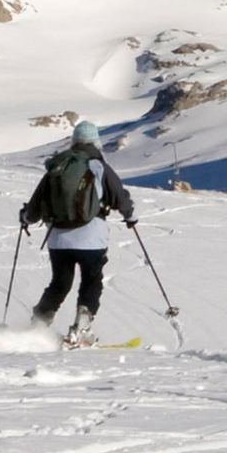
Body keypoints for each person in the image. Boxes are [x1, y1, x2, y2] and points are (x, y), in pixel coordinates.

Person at [20, 120, 136, 342]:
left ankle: (38, 326)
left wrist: (25, 218)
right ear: (96, 142)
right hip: (92, 239)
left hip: (59, 239)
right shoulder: (98, 166)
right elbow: (120, 197)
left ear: (74, 141)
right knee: (91, 281)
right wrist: (130, 216)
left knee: (60, 283)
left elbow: (35, 206)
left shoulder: (58, 167)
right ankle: (81, 329)